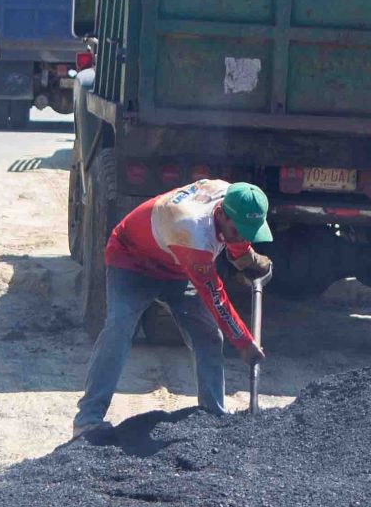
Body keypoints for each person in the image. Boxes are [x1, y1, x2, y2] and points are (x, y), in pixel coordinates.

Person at [74, 179, 273, 434]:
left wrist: (246, 257)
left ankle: (213, 415)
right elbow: (214, 296)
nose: (243, 236)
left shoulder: (234, 198)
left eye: (250, 232)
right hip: (132, 260)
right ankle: (87, 421)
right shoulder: (191, 228)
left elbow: (234, 238)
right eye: (240, 231)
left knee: (209, 335)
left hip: (178, 264)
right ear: (221, 214)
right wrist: (244, 342)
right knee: (118, 329)